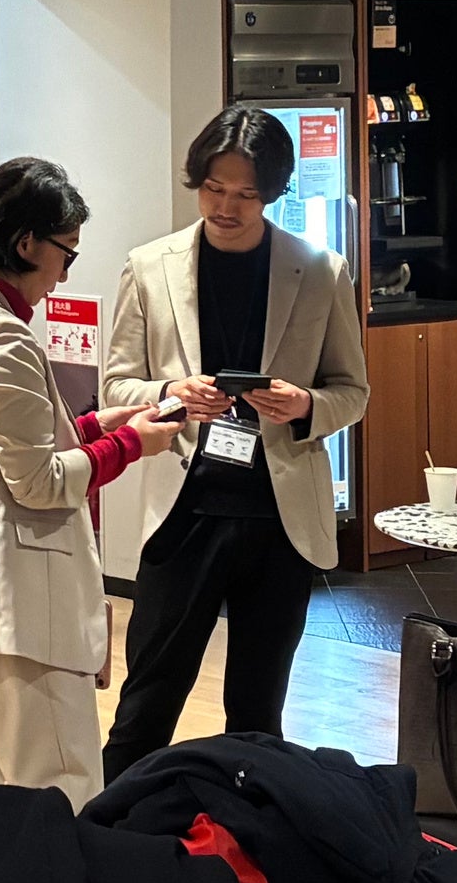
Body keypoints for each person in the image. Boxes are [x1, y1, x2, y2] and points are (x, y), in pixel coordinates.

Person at [94, 105, 373, 786]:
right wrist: (172, 391)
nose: (226, 207)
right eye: (214, 188)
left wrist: (305, 405)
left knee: (258, 711)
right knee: (146, 703)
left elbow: (352, 391)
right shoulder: (149, 267)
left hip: (281, 521)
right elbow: (116, 386)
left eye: (246, 194)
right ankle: (111, 829)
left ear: (272, 193)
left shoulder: (320, 268)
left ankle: (248, 835)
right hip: (183, 513)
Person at [0, 156, 185, 805]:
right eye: (66, 253)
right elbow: (37, 480)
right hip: (19, 604)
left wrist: (96, 425)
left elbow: (5, 450)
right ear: (26, 244)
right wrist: (132, 443)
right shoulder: (1, 335)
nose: (66, 272)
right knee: (61, 789)